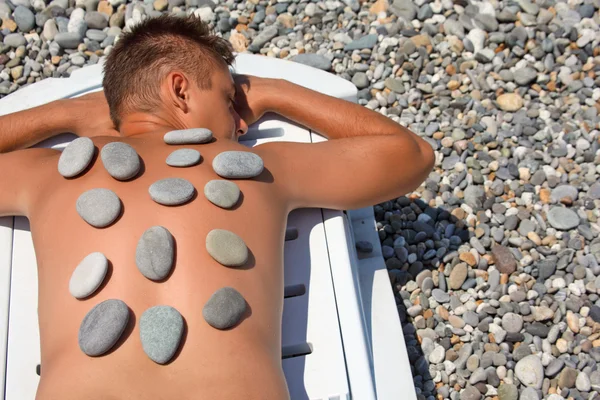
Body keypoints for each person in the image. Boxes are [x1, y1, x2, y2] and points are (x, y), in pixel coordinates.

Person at [0, 14, 434, 400]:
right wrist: (273, 91)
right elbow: (412, 154)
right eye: (231, 100)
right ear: (179, 89)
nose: (243, 121)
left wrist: (61, 115)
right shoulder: (257, 169)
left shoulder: (50, 172)